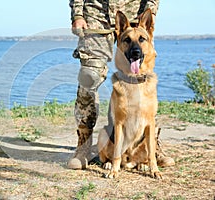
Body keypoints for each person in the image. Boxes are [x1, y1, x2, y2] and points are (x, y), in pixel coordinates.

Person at [68, 0, 174, 170]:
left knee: (142, 75)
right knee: (89, 75)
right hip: (96, 12)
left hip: (134, 10)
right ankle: (84, 145)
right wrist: (78, 14)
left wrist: (150, 10)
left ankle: (150, 147)